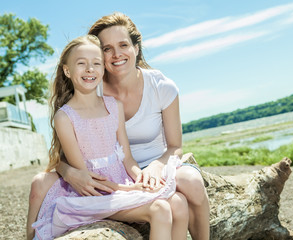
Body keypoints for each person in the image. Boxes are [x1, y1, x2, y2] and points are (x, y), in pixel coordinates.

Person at [27, 12, 210, 240]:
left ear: (136, 48)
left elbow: (175, 147)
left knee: (192, 183)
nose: (116, 54)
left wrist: (155, 167)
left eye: (123, 45)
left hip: (152, 164)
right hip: (117, 176)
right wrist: (68, 171)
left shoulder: (160, 86)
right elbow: (72, 154)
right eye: (106, 48)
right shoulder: (93, 87)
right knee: (175, 205)